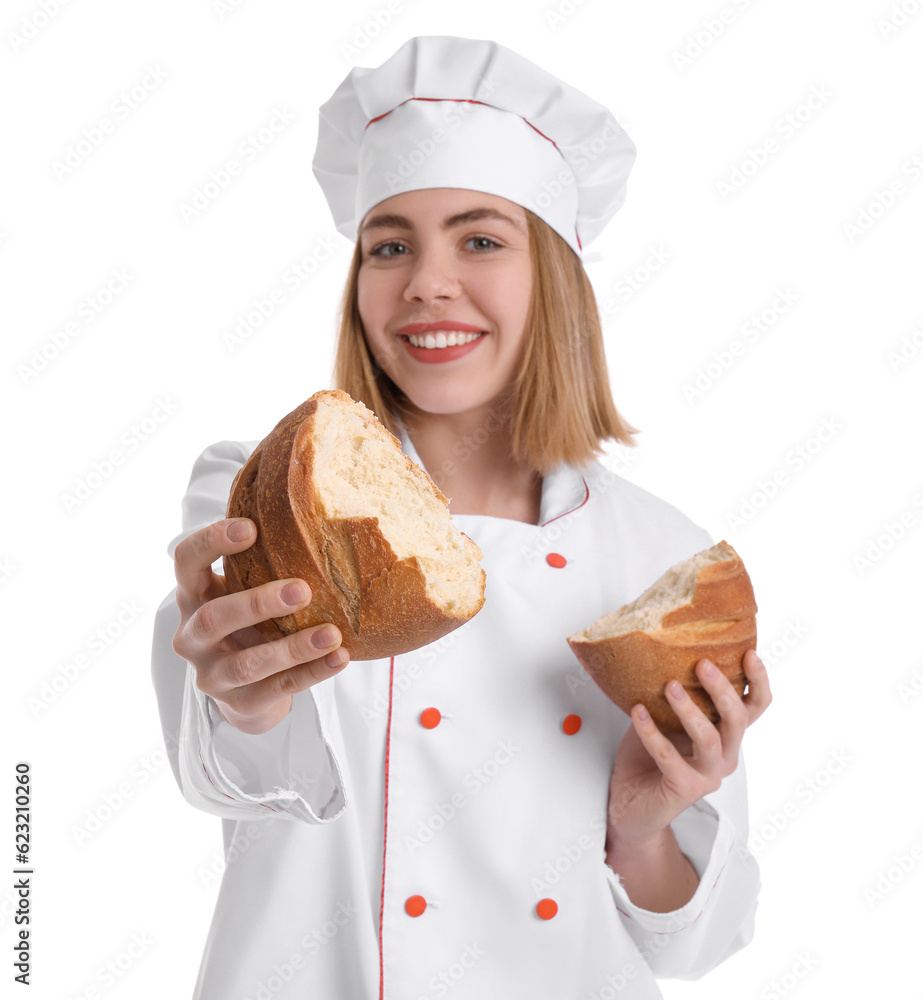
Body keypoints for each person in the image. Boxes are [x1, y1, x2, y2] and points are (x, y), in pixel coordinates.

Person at [152, 35, 771, 999]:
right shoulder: (262, 490)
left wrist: (642, 825)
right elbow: (230, 782)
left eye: (480, 239)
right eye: (388, 245)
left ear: (555, 280)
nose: (426, 282)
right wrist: (246, 696)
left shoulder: (660, 558)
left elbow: (693, 946)